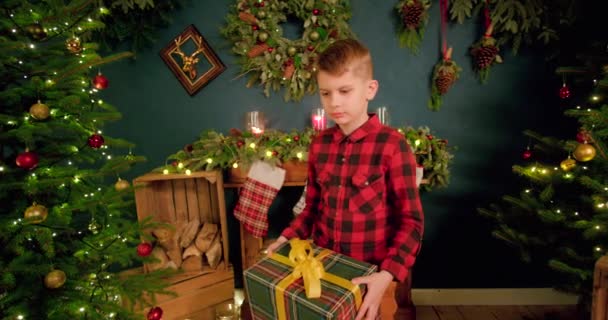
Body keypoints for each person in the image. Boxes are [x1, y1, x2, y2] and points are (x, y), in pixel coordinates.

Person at [266, 38, 424, 320]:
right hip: (324, 272)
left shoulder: (392, 146)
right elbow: (312, 208)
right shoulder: (319, 145)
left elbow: (412, 223)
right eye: (325, 93)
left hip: (372, 280)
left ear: (370, 89)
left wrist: (387, 275)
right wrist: (287, 237)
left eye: (344, 90)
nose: (334, 102)